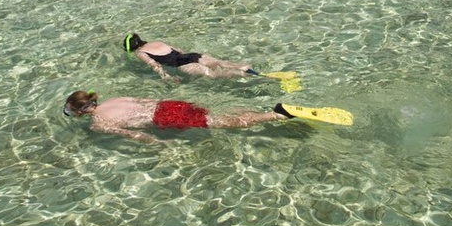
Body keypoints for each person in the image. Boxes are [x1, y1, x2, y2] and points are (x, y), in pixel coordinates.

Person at [62, 90, 294, 143]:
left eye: (71, 111)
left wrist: (158, 145)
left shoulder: (98, 124)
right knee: (216, 117)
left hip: (165, 119)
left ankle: (274, 116)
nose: (71, 114)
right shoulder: (114, 99)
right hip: (167, 105)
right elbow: (144, 100)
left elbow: (132, 134)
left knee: (221, 123)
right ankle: (266, 113)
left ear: (81, 111)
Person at [123, 33, 258, 81]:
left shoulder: (140, 53)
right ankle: (243, 66)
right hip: (191, 56)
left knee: (213, 74)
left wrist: (166, 77)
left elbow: (154, 65)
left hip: (182, 65)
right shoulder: (157, 42)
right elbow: (179, 50)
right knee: (218, 62)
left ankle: (244, 74)